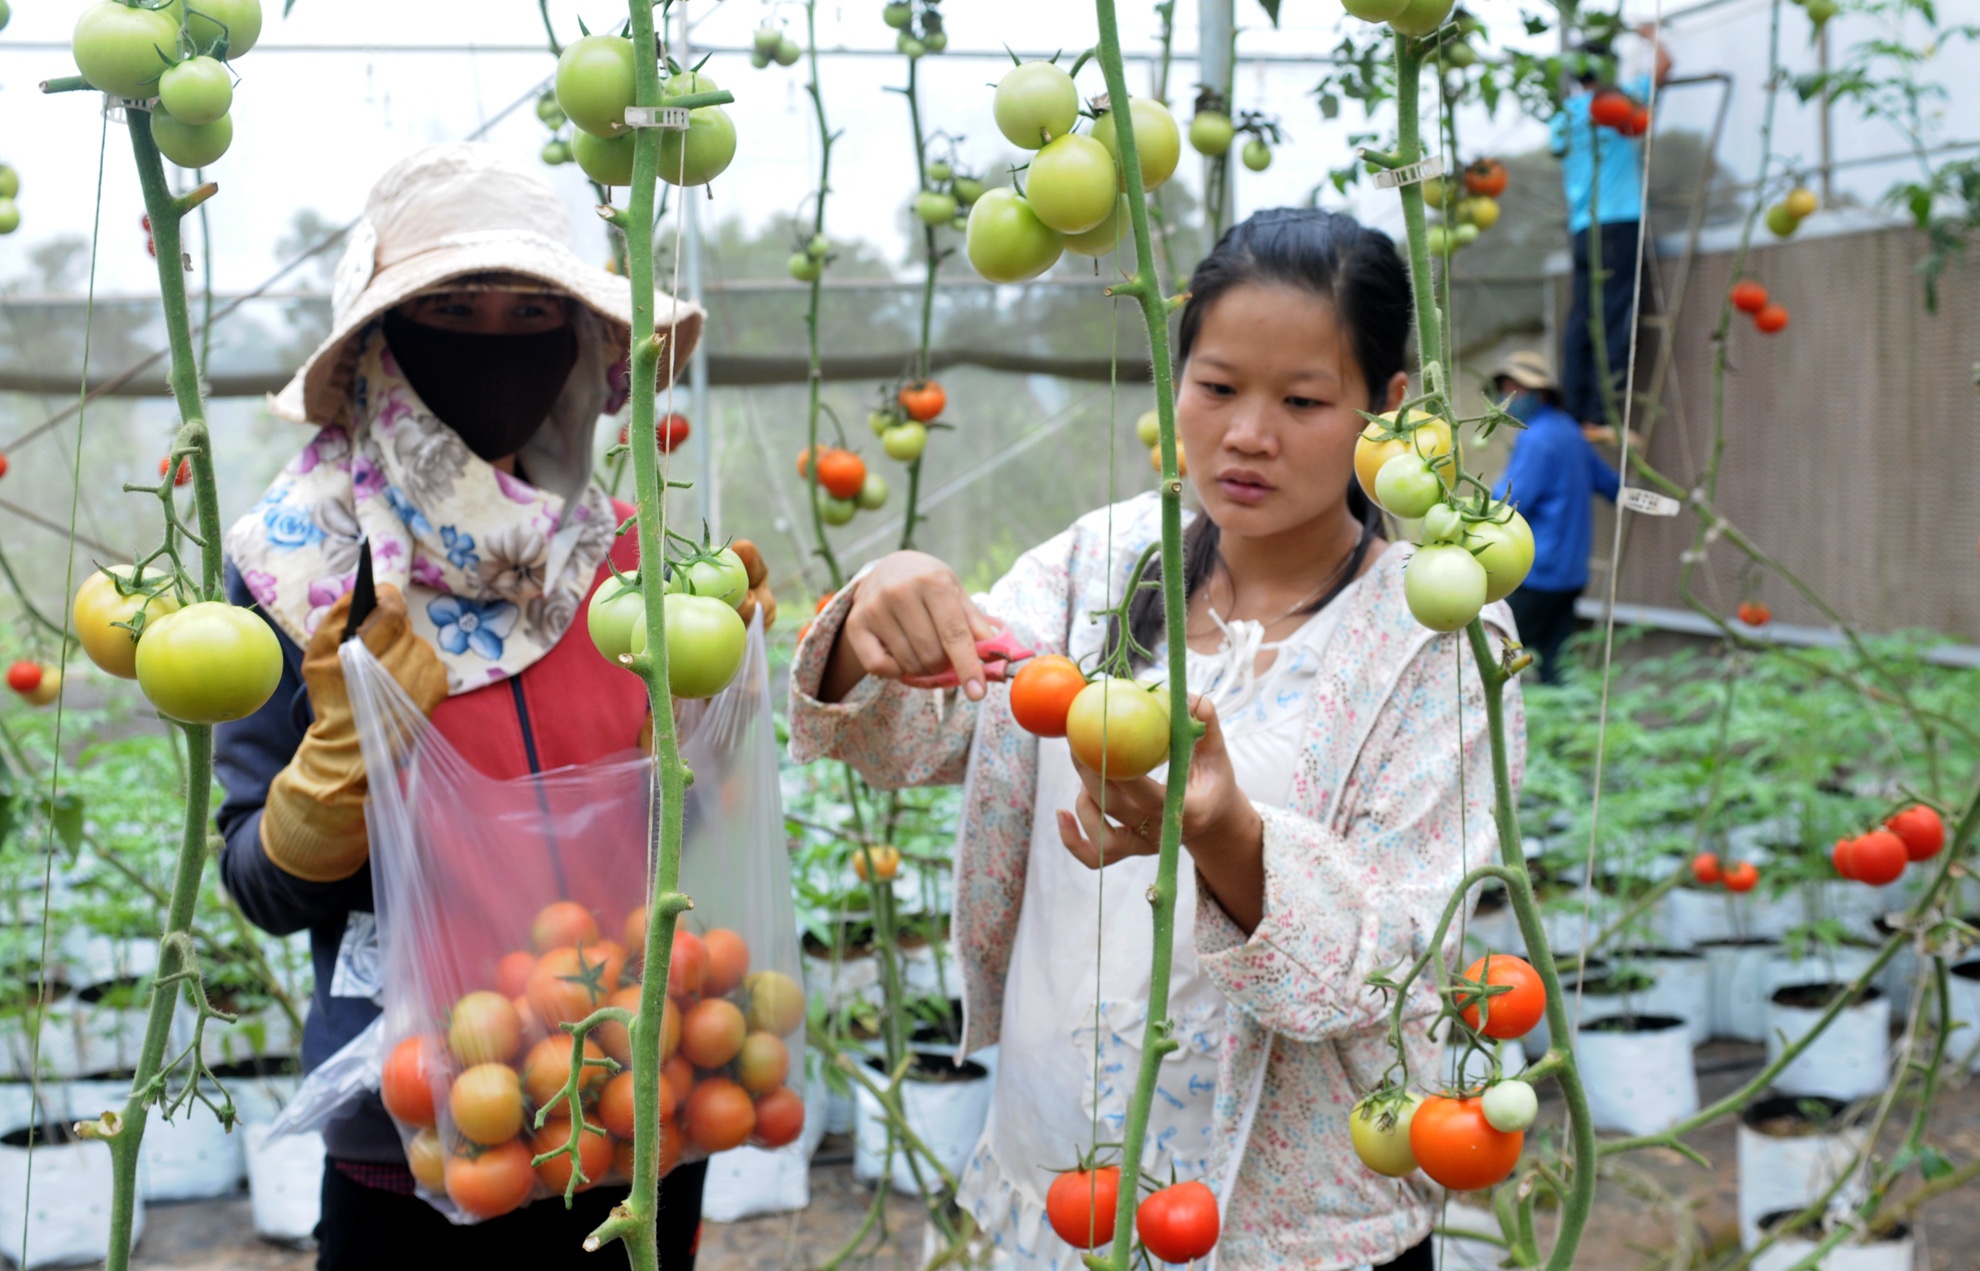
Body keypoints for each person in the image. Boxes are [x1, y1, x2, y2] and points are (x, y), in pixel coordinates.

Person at [788, 209, 1522, 1270]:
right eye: (1217, 387)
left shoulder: (1438, 639)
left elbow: (1400, 949)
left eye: (1304, 400)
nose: (1248, 433)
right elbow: (926, 731)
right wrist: (876, 622)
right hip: (1063, 1174)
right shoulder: (1106, 559)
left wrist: (1229, 836)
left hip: (1290, 1226)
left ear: (1387, 409)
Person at [214, 143, 765, 1269]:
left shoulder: (635, 561)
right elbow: (258, 886)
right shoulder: (301, 569)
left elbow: (682, 846)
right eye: (455, 306)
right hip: (421, 1119)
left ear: (584, 343)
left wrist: (717, 726)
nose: (498, 340)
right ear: (381, 339)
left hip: (635, 1085)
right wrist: (334, 772)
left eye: (532, 310)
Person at [1549, 31, 1673, 434]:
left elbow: (1558, 149)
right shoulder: (1622, 102)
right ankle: (1600, 415)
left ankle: (1572, 410)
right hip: (1620, 221)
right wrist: (1651, 36)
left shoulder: (1565, 117)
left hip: (1583, 226)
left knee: (1583, 316)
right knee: (1616, 313)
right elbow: (1666, 66)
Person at [1491, 350, 1620, 684]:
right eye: (1505, 388)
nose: (1508, 398)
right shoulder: (1569, 430)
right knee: (1556, 663)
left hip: (1537, 574)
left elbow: (1509, 502)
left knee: (1499, 659)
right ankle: (1562, 733)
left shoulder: (1536, 439)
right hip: (1572, 573)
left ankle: (1504, 729)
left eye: (1515, 389)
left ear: (1540, 393)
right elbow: (1611, 486)